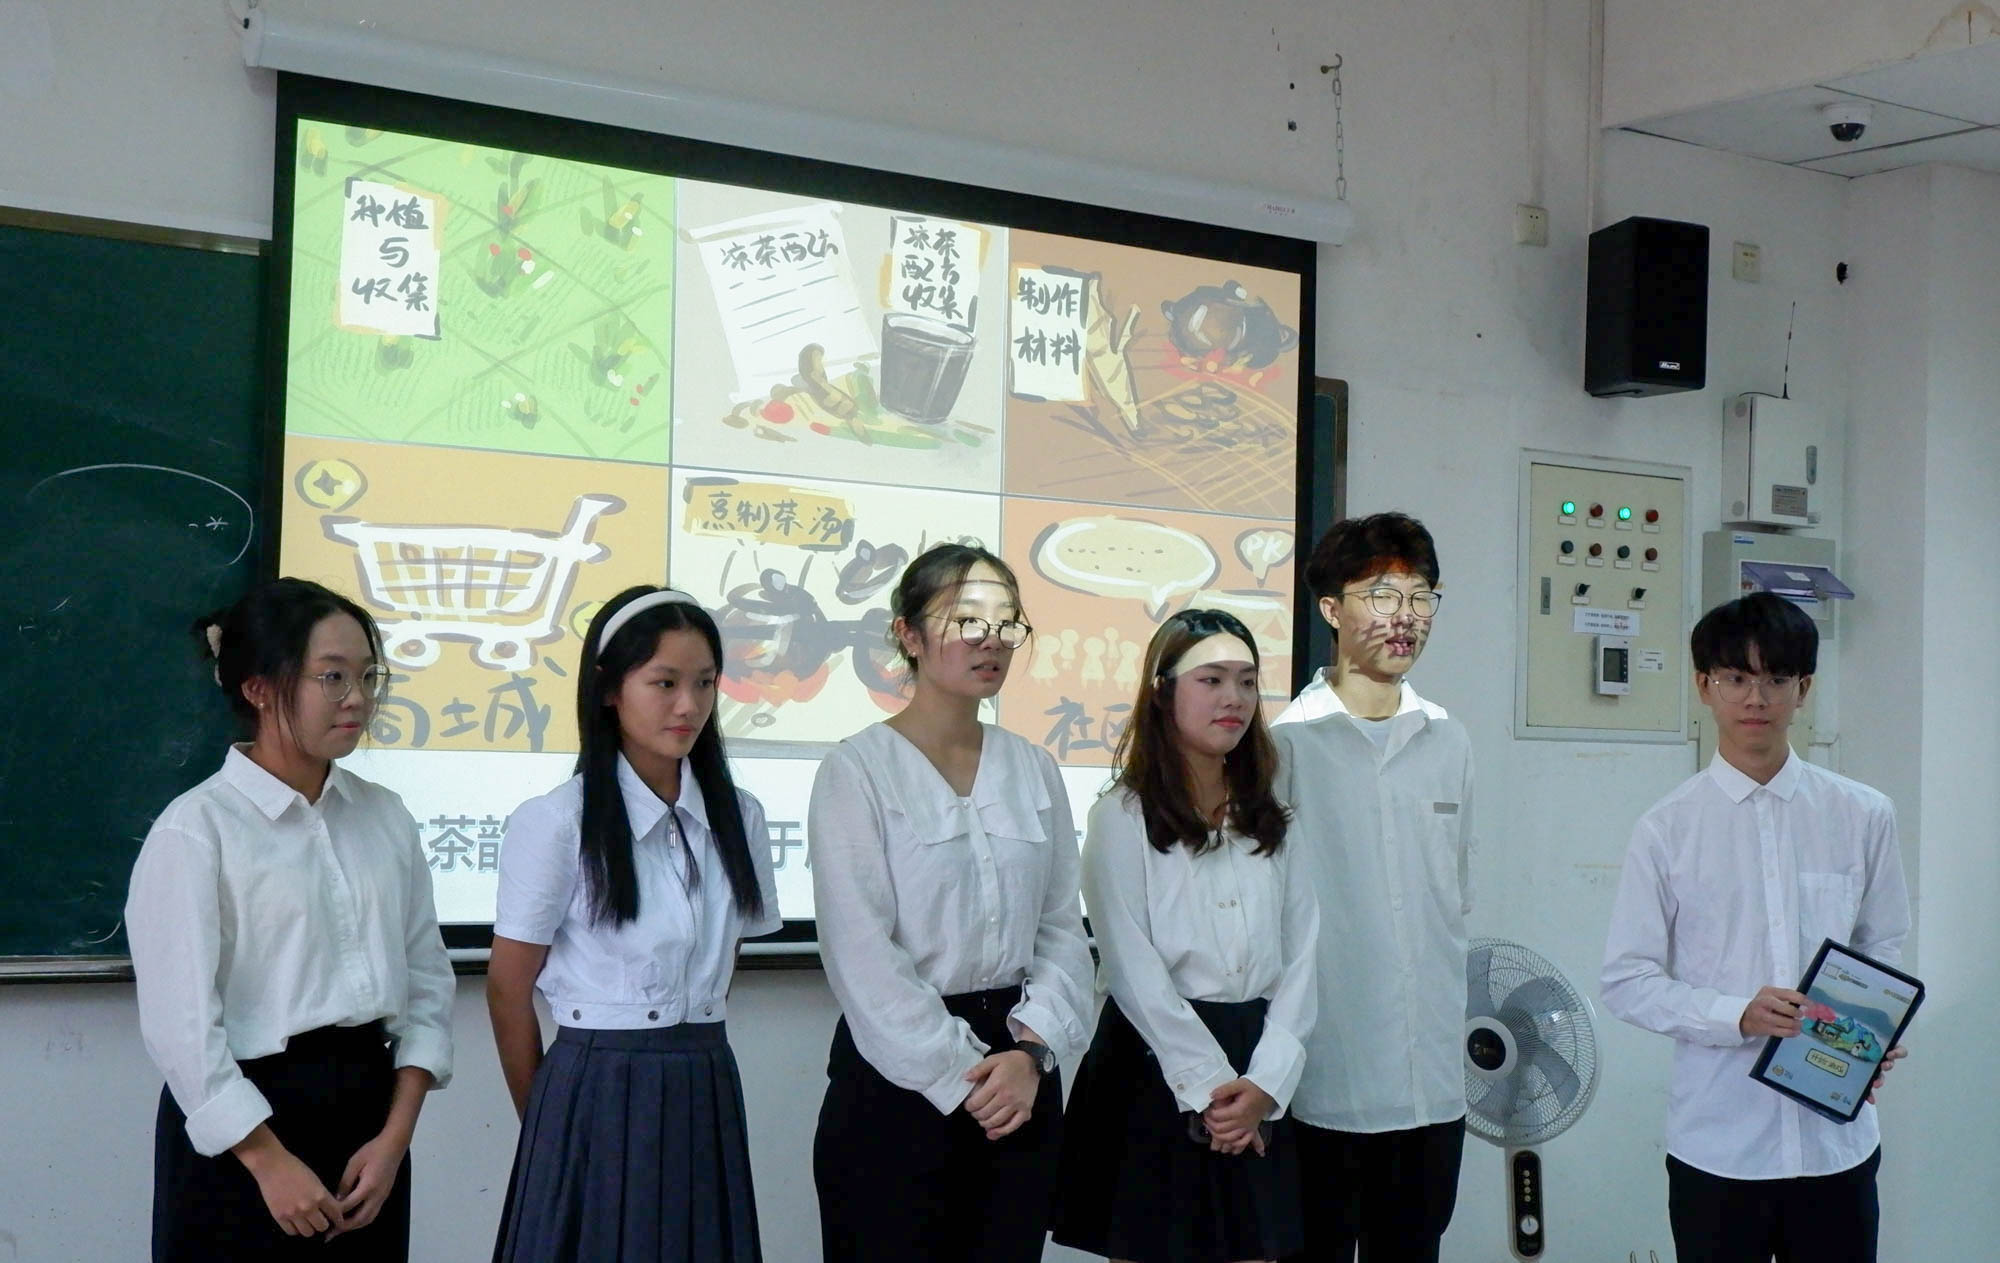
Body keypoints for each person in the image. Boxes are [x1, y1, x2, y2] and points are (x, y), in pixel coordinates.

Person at [127, 577, 454, 1261]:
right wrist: (267, 1161)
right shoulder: (197, 831)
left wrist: (394, 1141)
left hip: (370, 1125)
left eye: (367, 675)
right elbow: (182, 1028)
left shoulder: (386, 815)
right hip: (243, 1138)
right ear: (259, 688)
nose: (357, 697)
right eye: (332, 677)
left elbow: (427, 984)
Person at [1602, 592, 1910, 1263]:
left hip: (1837, 1143)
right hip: (1719, 1146)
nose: (1755, 698)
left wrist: (1876, 1030)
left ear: (1804, 689)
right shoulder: (1666, 828)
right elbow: (1626, 980)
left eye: (1776, 678)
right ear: (1703, 686)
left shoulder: (1863, 814)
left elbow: (1881, 945)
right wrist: (1734, 1013)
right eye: (1735, 678)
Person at [809, 542, 1094, 1263]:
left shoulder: (1034, 767)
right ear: (907, 634)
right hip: (898, 1077)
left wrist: (1031, 1054)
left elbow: (1061, 927)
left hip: (1020, 1075)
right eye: (966, 618)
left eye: (1005, 621)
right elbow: (860, 950)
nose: (990, 639)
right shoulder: (856, 769)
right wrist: (959, 1075)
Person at [487, 586, 780, 1262]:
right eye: (664, 682)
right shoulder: (557, 821)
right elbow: (506, 988)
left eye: (704, 682)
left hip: (705, 1075)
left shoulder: (742, 816)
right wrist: (551, 1121)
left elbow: (723, 961)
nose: (689, 705)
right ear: (608, 689)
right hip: (594, 1085)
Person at [1053, 608, 1319, 1263]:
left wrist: (1264, 1085)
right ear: (1162, 691)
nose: (1234, 698)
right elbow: (1132, 968)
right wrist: (1210, 1089)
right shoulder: (1121, 815)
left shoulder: (1274, 818)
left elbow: (1303, 956)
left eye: (1247, 681)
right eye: (1211, 679)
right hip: (1151, 1065)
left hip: (1256, 1065)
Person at [1268, 512, 1474, 1263]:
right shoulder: (1285, 744)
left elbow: (1456, 895)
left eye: (1421, 597)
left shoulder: (1449, 739)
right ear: (1331, 609)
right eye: (1382, 595)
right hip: (1326, 1075)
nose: (1405, 616)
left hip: (1431, 1080)